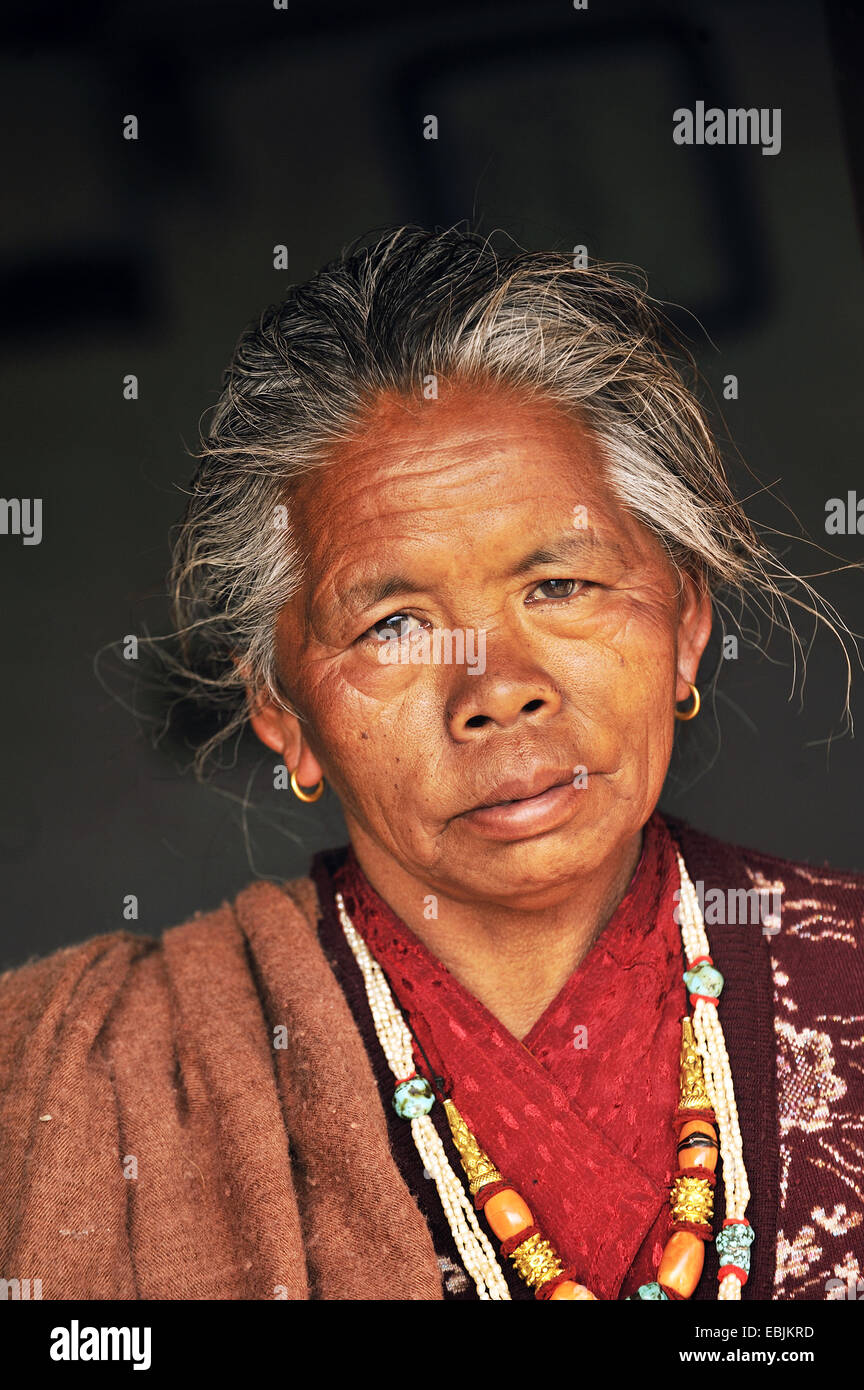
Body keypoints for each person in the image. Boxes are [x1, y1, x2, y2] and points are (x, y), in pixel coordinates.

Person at [2, 226, 862, 1302]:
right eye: (395, 625)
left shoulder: (849, 979)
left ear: (684, 620)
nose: (496, 687)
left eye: (561, 586)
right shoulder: (77, 1077)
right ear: (286, 713)